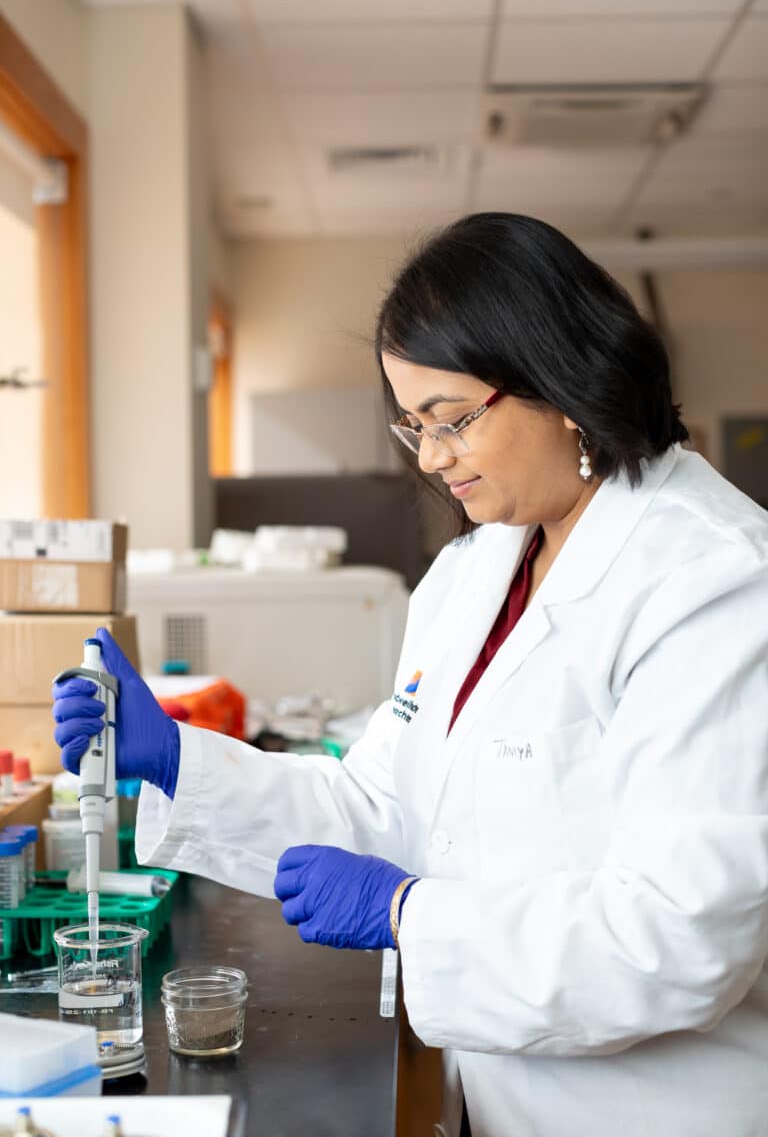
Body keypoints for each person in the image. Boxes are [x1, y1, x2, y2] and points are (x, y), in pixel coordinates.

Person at [52, 213, 768, 1137]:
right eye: (413, 426)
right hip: (500, 1091)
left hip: (651, 1111)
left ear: (562, 380)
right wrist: (178, 762)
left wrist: (409, 916)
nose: (432, 458)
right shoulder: (476, 572)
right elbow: (380, 809)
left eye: (453, 420)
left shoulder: (711, 582)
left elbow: (677, 937)